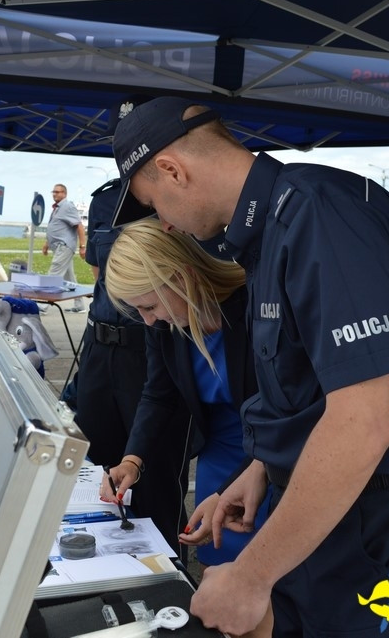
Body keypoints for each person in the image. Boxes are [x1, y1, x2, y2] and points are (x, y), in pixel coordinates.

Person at [111, 97, 389, 637]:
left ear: (174, 170)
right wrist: (264, 469)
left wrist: (250, 576)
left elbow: (364, 422)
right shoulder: (270, 227)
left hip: (371, 518)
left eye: (157, 206)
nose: (167, 226)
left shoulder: (319, 213)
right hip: (322, 506)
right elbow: (310, 388)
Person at [102, 219, 273, 638]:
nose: (147, 320)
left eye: (148, 306)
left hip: (271, 451)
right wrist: (132, 458)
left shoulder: (255, 309)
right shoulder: (163, 323)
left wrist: (242, 480)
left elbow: (281, 413)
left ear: (181, 278)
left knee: (267, 569)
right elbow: (159, 393)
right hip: (221, 448)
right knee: (219, 559)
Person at [70, 180, 192, 556]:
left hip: (152, 347)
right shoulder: (105, 199)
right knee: (98, 469)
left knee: (157, 477)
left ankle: (168, 572)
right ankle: (108, 565)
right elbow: (100, 275)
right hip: (101, 349)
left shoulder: (178, 199)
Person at [41, 183, 86, 311]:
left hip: (64, 246)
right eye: (53, 192)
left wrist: (82, 246)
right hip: (58, 247)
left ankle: (43, 305)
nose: (55, 194)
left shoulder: (67, 206)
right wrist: (47, 244)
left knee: (54, 273)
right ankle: (80, 306)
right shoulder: (57, 208)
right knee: (70, 278)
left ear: (64, 194)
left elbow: (79, 226)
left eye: (58, 192)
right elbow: (55, 227)